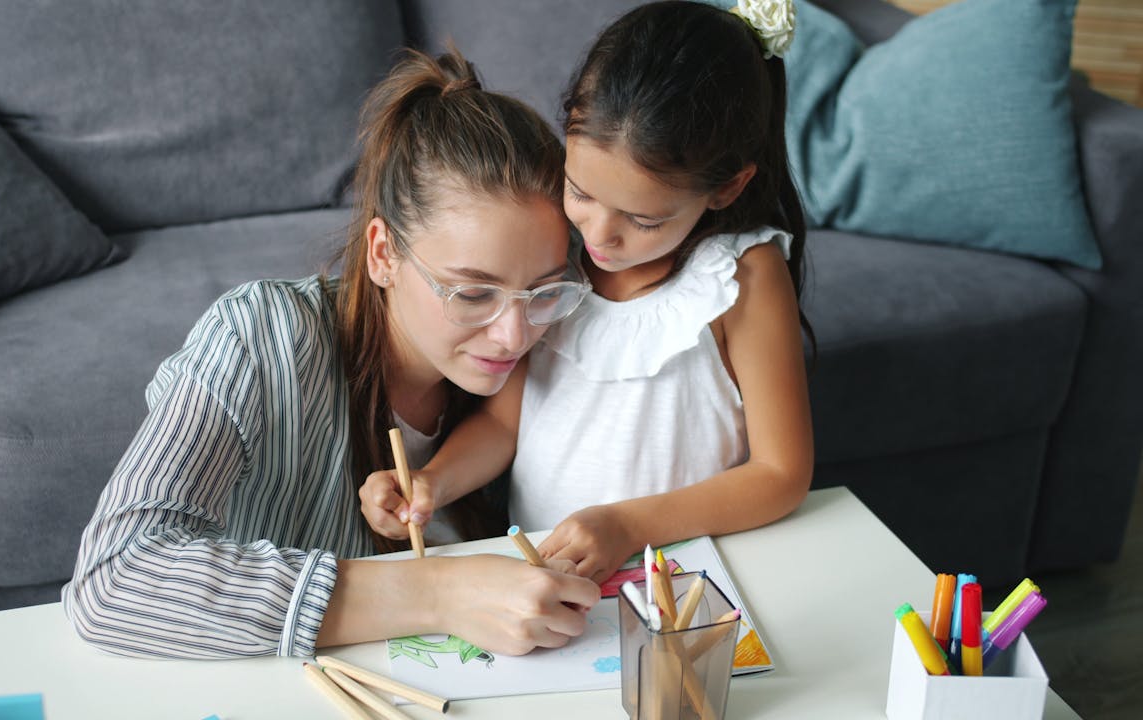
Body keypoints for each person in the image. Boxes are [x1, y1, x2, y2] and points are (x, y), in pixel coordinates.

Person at [62, 48, 601, 659]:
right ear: (382, 254)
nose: (513, 335)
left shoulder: (552, 336)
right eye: (472, 293)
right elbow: (115, 580)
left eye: (543, 290)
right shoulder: (259, 336)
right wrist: (437, 593)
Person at [360, 0, 813, 584]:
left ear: (726, 188)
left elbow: (781, 473)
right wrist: (431, 482)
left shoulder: (740, 278)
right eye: (580, 192)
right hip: (550, 576)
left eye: (643, 221)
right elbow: (503, 425)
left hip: (680, 577)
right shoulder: (550, 266)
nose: (598, 236)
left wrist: (627, 526)